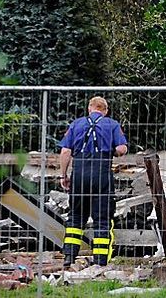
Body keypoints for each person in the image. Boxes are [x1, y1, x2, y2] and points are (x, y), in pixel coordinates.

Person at [60, 96, 128, 268]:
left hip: (80, 174)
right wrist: (113, 151)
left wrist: (63, 175)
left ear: (90, 108)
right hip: (102, 175)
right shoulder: (112, 124)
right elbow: (122, 149)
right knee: (102, 219)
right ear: (105, 111)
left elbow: (65, 151)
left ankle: (69, 256)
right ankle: (100, 261)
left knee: (75, 217)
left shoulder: (76, 124)